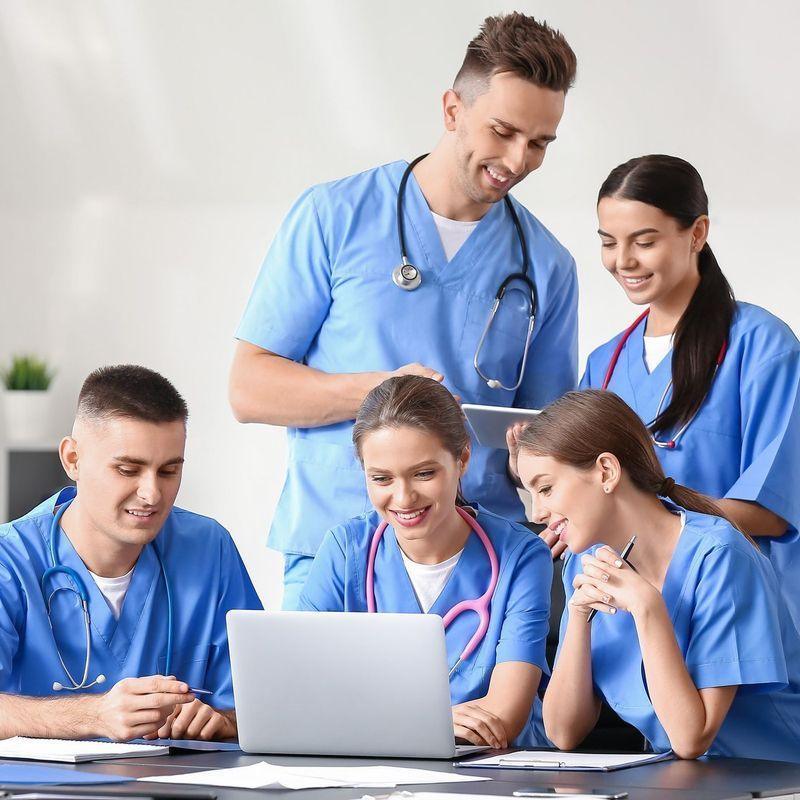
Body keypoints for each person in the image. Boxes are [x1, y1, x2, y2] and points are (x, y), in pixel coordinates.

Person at [230, 12, 579, 609]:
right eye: (503, 131)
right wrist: (381, 391)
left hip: (481, 560)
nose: (518, 160)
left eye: (539, 143)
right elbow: (250, 388)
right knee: (321, 704)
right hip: (335, 549)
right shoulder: (333, 218)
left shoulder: (547, 266)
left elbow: (548, 441)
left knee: (484, 708)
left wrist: (541, 458)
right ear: (452, 110)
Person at [550, 154, 800, 626]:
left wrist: (651, 514)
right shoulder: (603, 366)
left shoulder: (763, 348)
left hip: (730, 608)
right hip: (619, 616)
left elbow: (776, 510)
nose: (623, 261)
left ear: (697, 233)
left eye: (643, 242)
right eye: (608, 242)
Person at [514, 389, 800, 762]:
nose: (537, 513)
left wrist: (647, 607)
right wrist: (580, 620)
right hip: (677, 781)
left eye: (546, 488)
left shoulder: (720, 557)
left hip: (773, 775)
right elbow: (563, 732)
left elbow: (691, 738)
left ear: (606, 471)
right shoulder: (585, 563)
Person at [0, 365, 262, 741]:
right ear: (73, 459)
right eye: (127, 469)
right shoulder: (10, 561)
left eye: (169, 471)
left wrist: (223, 723)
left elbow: (258, 703)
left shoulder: (209, 549)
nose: (152, 494)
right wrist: (94, 716)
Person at [298, 375, 552, 748]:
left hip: (492, 775)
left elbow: (503, 718)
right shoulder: (345, 549)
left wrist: (371, 720)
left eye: (424, 473)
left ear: (462, 459)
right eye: (381, 478)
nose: (403, 498)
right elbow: (304, 698)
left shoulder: (521, 555)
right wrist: (431, 723)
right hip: (373, 773)